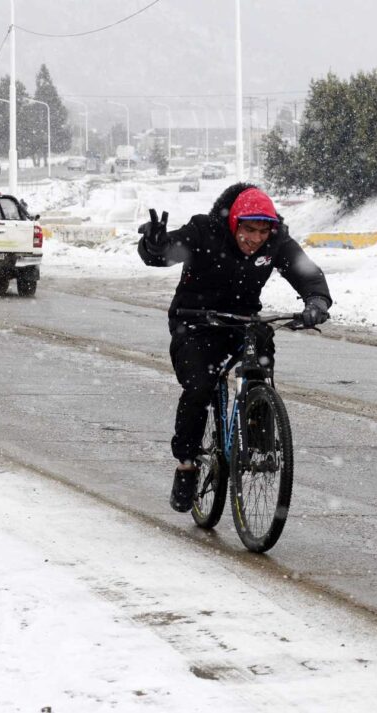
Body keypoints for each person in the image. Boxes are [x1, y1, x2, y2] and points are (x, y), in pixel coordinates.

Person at [138, 182, 332, 512]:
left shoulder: (276, 242)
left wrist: (316, 301)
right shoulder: (204, 230)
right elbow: (167, 253)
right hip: (194, 322)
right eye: (249, 229)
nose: (255, 239)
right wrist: (154, 245)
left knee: (261, 351)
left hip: (242, 321)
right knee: (200, 388)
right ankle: (186, 464)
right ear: (234, 223)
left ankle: (259, 442)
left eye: (262, 231)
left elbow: (306, 273)